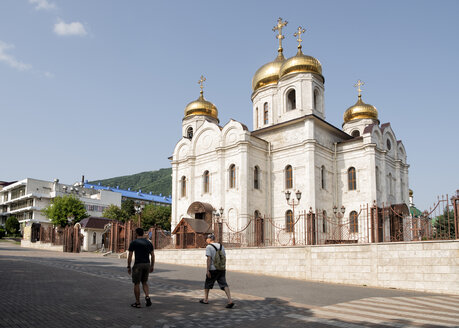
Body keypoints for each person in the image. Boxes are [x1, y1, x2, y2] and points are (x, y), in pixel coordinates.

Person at [200, 233, 234, 308]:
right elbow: (224, 257)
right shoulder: (221, 246)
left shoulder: (209, 247)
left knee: (208, 284)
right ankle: (230, 300)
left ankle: (205, 299)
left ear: (209, 239)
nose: (206, 240)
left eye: (207, 239)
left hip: (213, 269)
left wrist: (208, 270)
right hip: (221, 269)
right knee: (224, 284)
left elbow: (209, 259)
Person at [127, 227, 155, 308]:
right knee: (145, 282)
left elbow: (130, 255)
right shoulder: (149, 243)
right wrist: (152, 265)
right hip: (147, 264)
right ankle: (147, 296)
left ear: (136, 233)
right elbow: (152, 255)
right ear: (143, 233)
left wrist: (128, 266)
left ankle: (138, 303)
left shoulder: (134, 243)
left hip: (138, 265)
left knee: (136, 283)